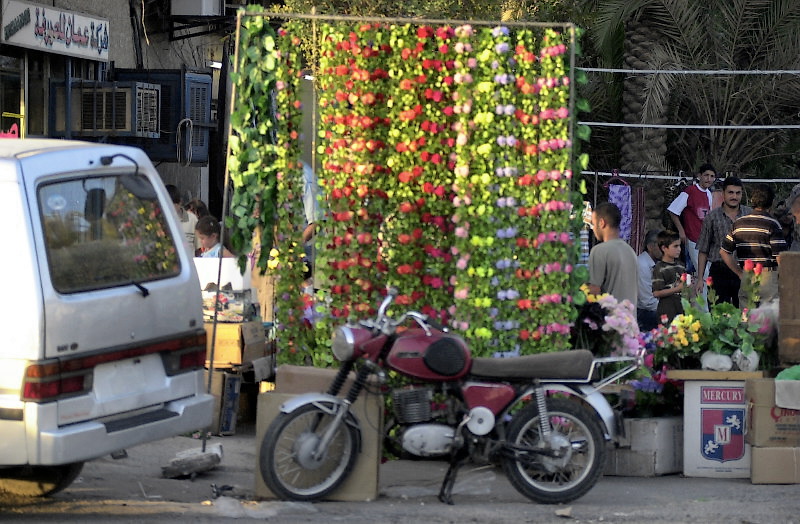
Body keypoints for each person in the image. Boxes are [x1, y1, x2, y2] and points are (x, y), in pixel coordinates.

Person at [720, 183, 787, 306]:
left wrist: (740, 273)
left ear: (752, 200)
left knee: (747, 319)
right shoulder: (772, 224)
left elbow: (724, 251)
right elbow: (780, 257)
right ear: (771, 203)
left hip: (748, 275)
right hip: (768, 277)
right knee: (769, 319)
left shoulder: (738, 224)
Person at [693, 177, 751, 307]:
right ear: (723, 194)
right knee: (717, 314)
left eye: (738, 193)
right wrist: (700, 279)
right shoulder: (712, 217)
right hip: (719, 271)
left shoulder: (749, 215)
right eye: (730, 192)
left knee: (745, 314)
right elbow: (703, 250)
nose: (734, 196)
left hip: (743, 270)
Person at [667, 164, 716, 278]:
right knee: (703, 273)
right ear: (700, 176)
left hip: (706, 238)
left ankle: (704, 295)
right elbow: (673, 211)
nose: (709, 179)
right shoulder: (690, 191)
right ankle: (703, 296)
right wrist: (681, 231)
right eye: (706, 175)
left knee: (708, 273)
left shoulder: (708, 193)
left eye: (712, 176)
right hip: (693, 238)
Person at [588, 202, 638, 305]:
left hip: (610, 318)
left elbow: (594, 291)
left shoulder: (599, 251)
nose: (592, 228)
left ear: (601, 223)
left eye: (593, 223)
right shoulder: (630, 251)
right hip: (630, 317)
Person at [651, 230, 686, 324]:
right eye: (675, 246)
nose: (679, 249)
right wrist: (677, 289)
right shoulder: (659, 268)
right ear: (664, 248)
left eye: (679, 246)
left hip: (682, 309)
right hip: (667, 311)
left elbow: (685, 287)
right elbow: (656, 293)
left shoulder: (681, 266)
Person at [636, 229, 662, 331]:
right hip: (643, 312)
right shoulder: (642, 265)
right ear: (650, 247)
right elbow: (646, 302)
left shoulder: (658, 262)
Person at [165, 184, 197, 254]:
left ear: (180, 202)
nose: (169, 210)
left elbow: (200, 248)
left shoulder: (192, 219)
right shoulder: (159, 220)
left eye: (172, 206)